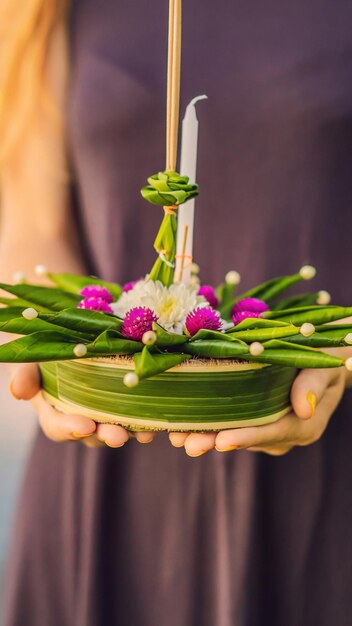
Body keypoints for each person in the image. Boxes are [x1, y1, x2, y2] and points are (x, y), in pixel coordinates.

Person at [2, 1, 352, 624]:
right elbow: (32, 223)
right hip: (99, 481)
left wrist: (344, 355)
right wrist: (48, 346)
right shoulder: (44, 9)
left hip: (323, 494)